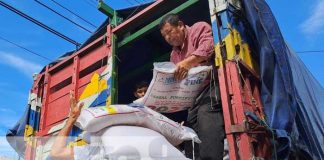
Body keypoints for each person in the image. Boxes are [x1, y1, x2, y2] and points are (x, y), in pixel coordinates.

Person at [159, 13, 225, 159]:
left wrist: (187, 63)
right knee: (190, 132)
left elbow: (208, 47)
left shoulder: (199, 28)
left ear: (181, 25)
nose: (168, 38)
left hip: (212, 86)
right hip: (193, 97)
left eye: (169, 32)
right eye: (165, 36)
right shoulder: (173, 56)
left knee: (206, 118)